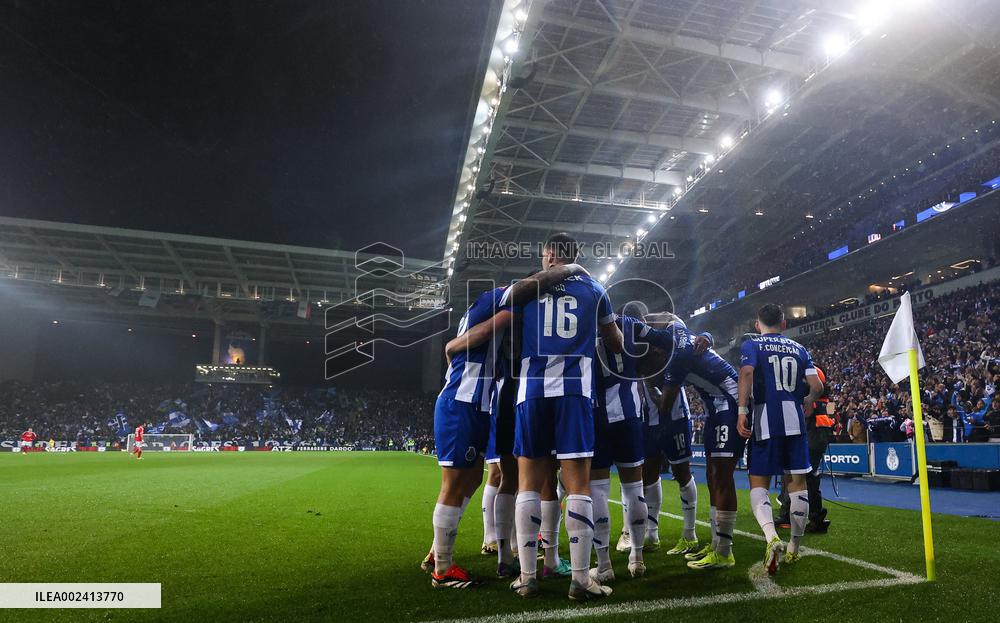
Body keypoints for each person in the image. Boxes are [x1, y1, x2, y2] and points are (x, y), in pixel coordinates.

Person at [506, 232, 622, 600]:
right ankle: (579, 578)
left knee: (529, 481)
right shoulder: (594, 287)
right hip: (575, 390)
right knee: (577, 484)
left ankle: (527, 577)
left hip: (533, 389)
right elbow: (616, 342)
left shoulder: (527, 289)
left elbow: (509, 322)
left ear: (551, 255)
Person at [737, 304, 824, 576]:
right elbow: (817, 386)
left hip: (766, 420)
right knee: (797, 484)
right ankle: (794, 548)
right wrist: (808, 400)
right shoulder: (800, 349)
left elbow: (747, 372)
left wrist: (742, 410)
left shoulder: (753, 345)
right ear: (784, 324)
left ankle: (771, 536)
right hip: (795, 422)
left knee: (758, 483)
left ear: (757, 324)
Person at [652, 321, 744, 571]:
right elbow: (671, 320)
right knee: (714, 476)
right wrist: (707, 333)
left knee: (722, 476)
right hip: (716, 407)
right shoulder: (680, 338)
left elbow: (664, 407)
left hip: (730, 404)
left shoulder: (677, 359)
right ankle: (717, 544)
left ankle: (724, 551)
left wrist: (647, 383)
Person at [588, 310, 653, 583]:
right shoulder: (629, 323)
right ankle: (637, 558)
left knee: (597, 491)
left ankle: (604, 566)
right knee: (634, 488)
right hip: (629, 413)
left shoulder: (581, 323)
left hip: (595, 414)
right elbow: (666, 334)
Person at [777, 365, 833, 533]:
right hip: (816, 431)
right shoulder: (814, 374)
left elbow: (810, 405)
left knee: (804, 474)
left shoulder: (811, 372)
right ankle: (792, 514)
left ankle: (815, 517)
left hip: (813, 432)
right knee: (801, 473)